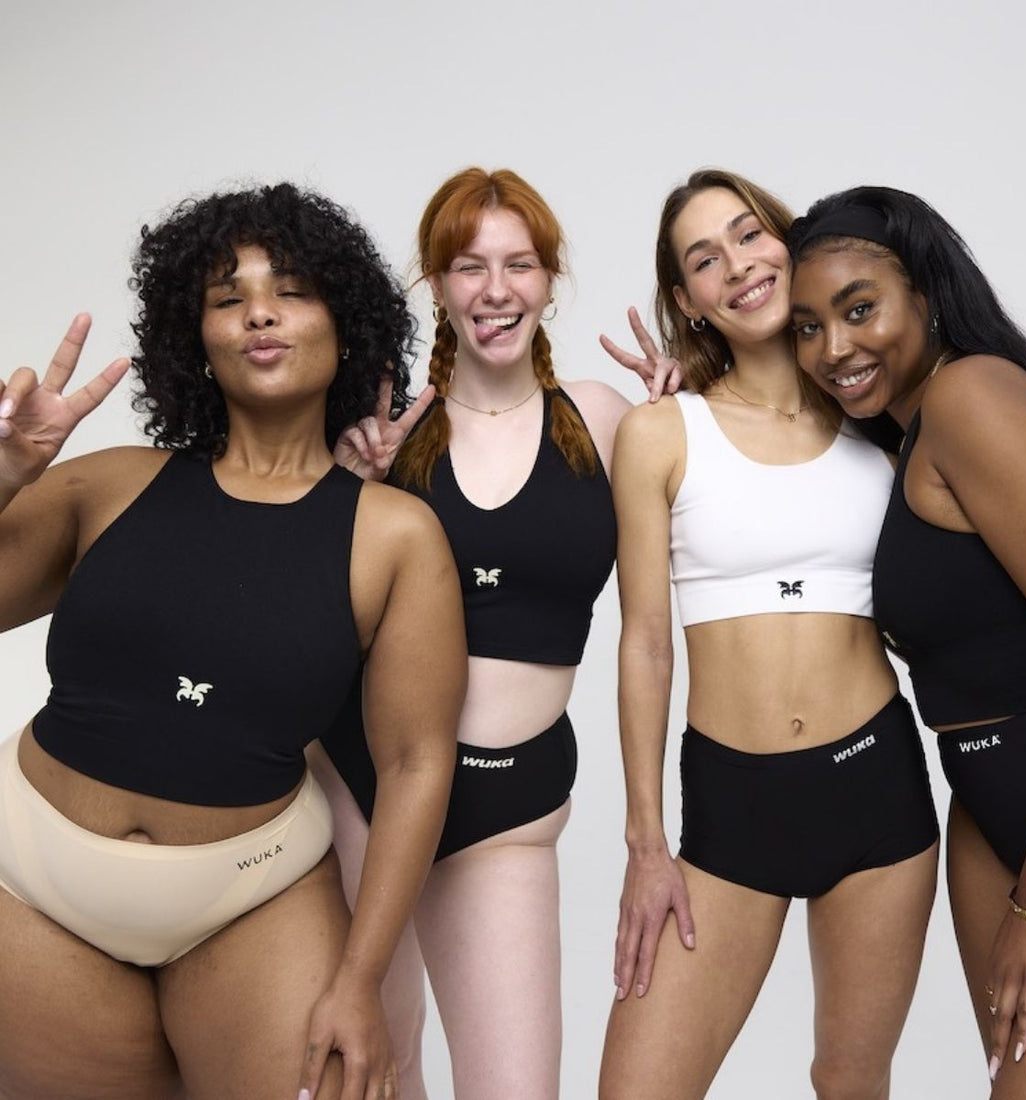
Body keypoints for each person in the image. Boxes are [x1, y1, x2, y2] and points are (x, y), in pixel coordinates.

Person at [0, 183, 465, 1100]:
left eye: (290, 289)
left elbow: (416, 762)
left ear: (345, 323)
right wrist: (5, 474)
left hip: (251, 897)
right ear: (196, 342)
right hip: (34, 884)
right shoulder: (111, 485)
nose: (258, 310)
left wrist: (360, 979)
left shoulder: (394, 535)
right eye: (226, 296)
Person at [597, 169, 940, 1100]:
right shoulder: (662, 433)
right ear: (687, 301)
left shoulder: (879, 416)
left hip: (877, 792)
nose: (738, 266)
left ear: (785, 243)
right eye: (704, 259)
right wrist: (644, 842)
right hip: (730, 808)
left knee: (849, 1081)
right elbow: (644, 644)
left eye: (749, 235)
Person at [307, 166, 629, 1100]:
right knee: (372, 1070)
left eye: (519, 264)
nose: (496, 289)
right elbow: (306, 600)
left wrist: (690, 403)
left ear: (549, 279)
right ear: (438, 285)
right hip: (366, 785)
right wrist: (347, 489)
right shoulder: (387, 430)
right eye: (469, 266)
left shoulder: (604, 418)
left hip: (508, 801)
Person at [787, 186, 1026, 1097]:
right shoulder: (907, 439)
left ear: (927, 292)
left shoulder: (972, 397)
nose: (835, 348)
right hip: (991, 812)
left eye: (859, 308)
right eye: (806, 327)